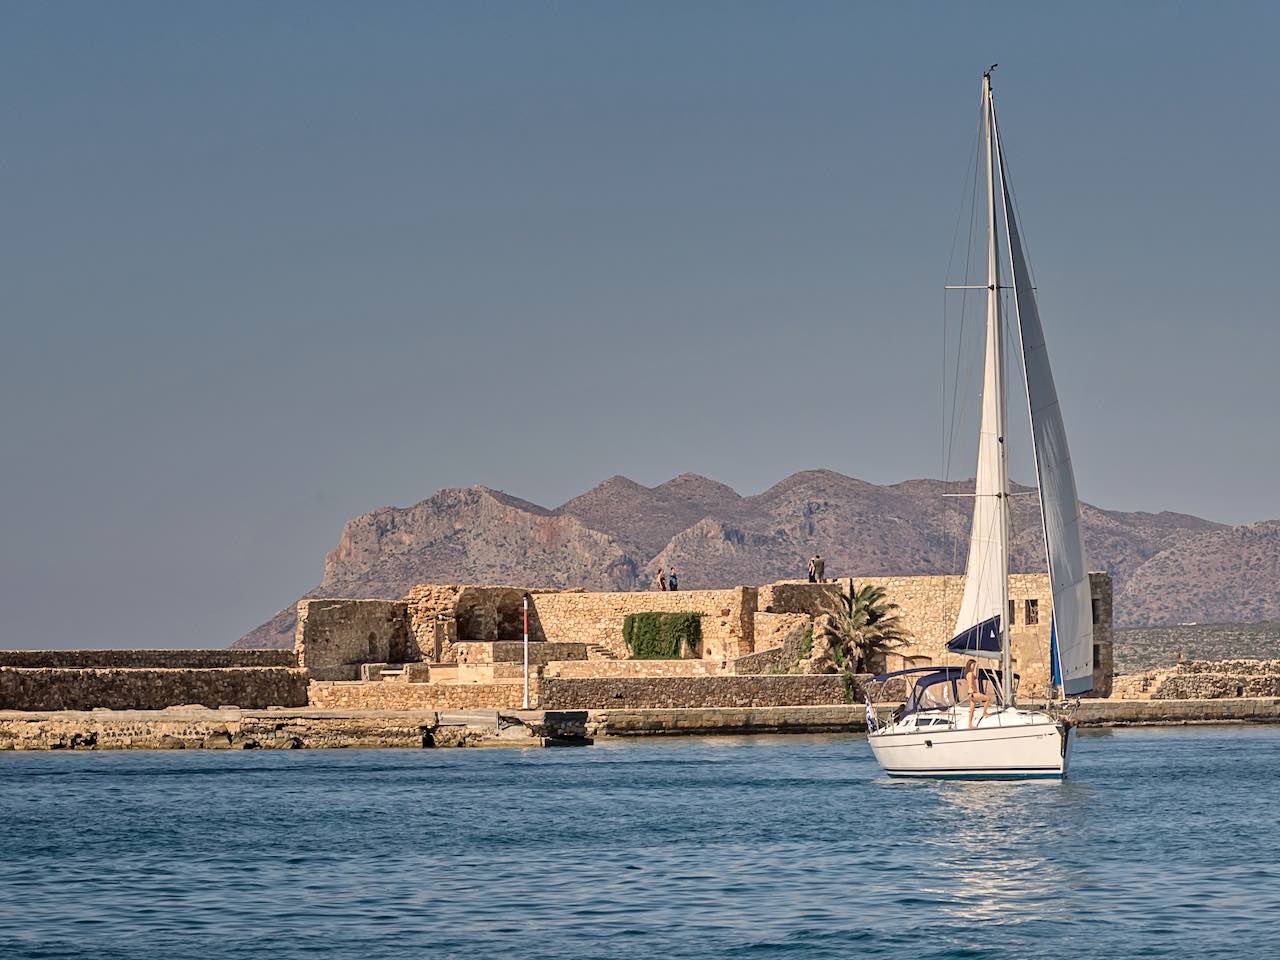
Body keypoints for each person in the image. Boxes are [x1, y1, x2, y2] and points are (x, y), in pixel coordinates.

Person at [964, 658, 992, 728]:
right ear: (970, 665)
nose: (973, 666)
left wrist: (976, 666)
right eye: (973, 665)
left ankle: (970, 724)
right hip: (973, 693)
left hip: (971, 693)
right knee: (988, 699)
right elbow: (970, 682)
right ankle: (984, 713)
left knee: (972, 710)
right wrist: (971, 688)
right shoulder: (970, 674)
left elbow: (975, 676)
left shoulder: (969, 673)